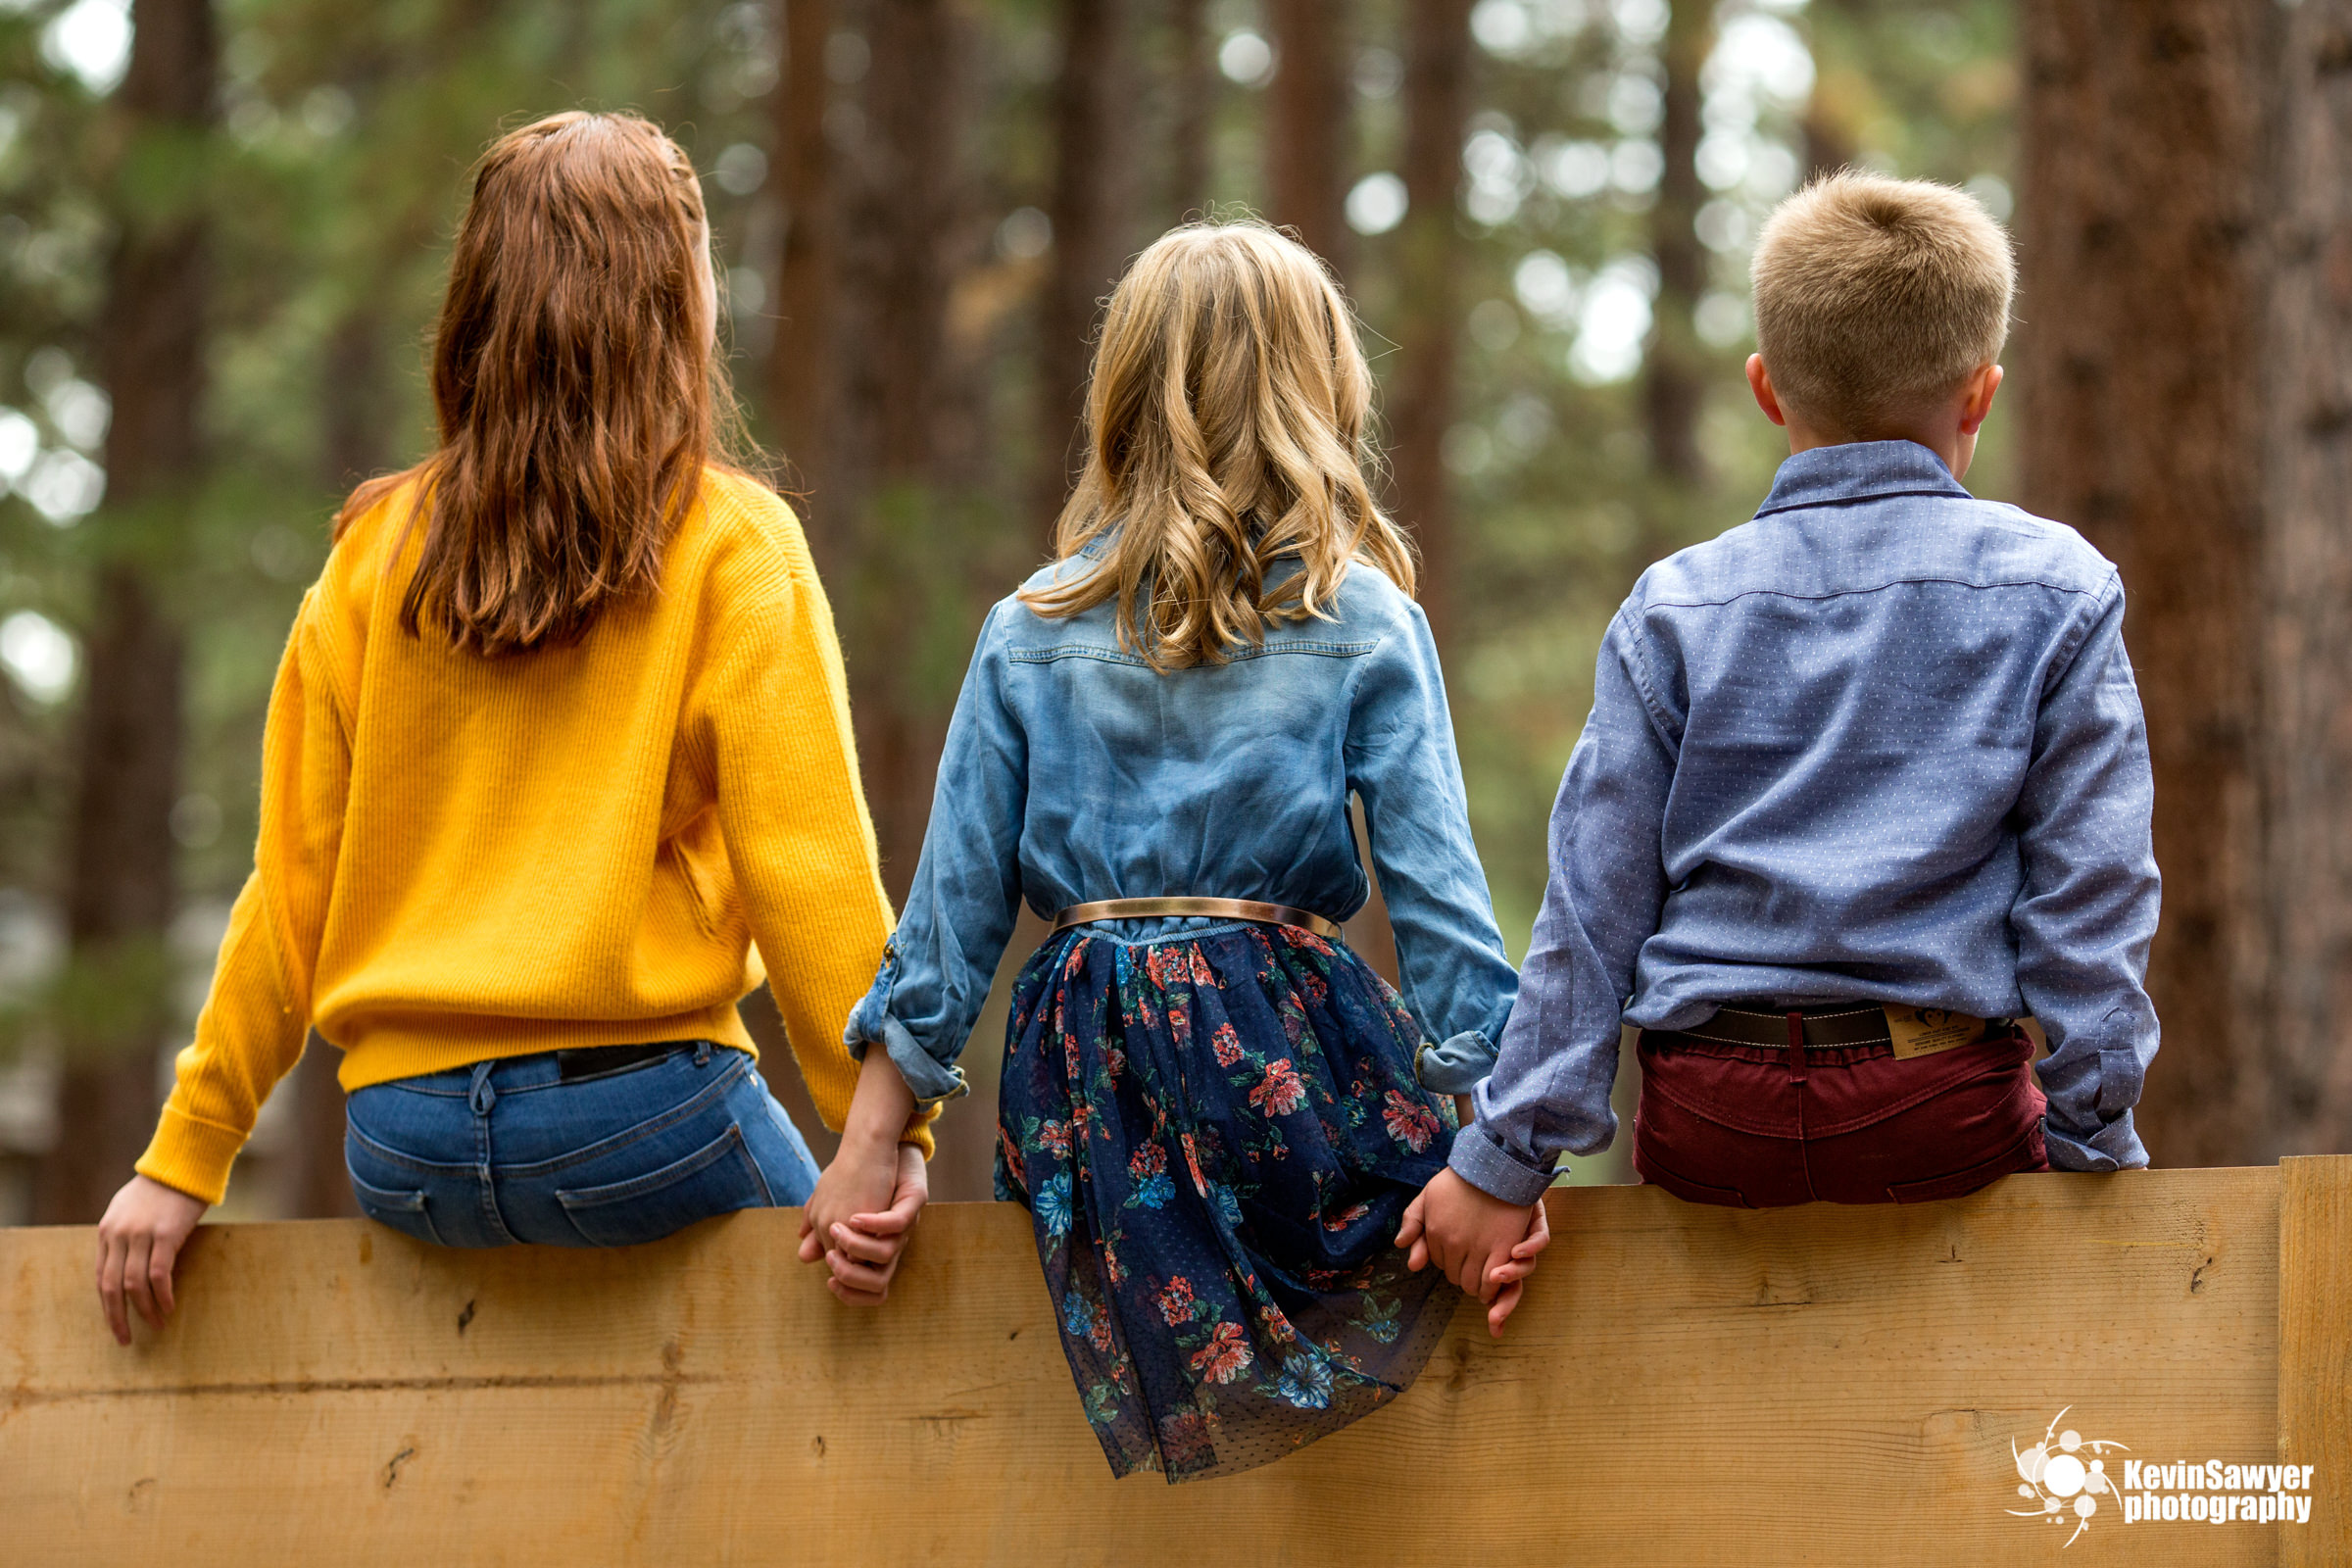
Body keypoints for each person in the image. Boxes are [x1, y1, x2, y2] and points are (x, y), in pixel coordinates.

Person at [92, 112, 928, 1346]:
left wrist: (186, 1154)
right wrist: (887, 1136)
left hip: (403, 1146)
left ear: (479, 301)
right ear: (678, 300)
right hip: (643, 1121)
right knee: (856, 1360)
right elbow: (814, 883)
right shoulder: (735, 544)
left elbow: (290, 889)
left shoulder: (372, 555)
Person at [845, 220, 1543, 1482]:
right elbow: (1443, 913)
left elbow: (947, 922)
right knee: (1390, 1248)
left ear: (1121, 398)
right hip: (1281, 1038)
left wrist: (868, 1140)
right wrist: (1499, 1154)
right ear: (1320, 393)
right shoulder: (1363, 614)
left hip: (1084, 1068)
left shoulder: (1030, 625)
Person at [1412, 172, 2162, 1290]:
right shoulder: (2057, 589)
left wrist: (1506, 1158)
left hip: (1713, 1121)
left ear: (1767, 390)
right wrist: (2093, 1144)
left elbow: (1591, 906)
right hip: (1937, 1115)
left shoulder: (1674, 605)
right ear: (1980, 395)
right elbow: (2092, 900)